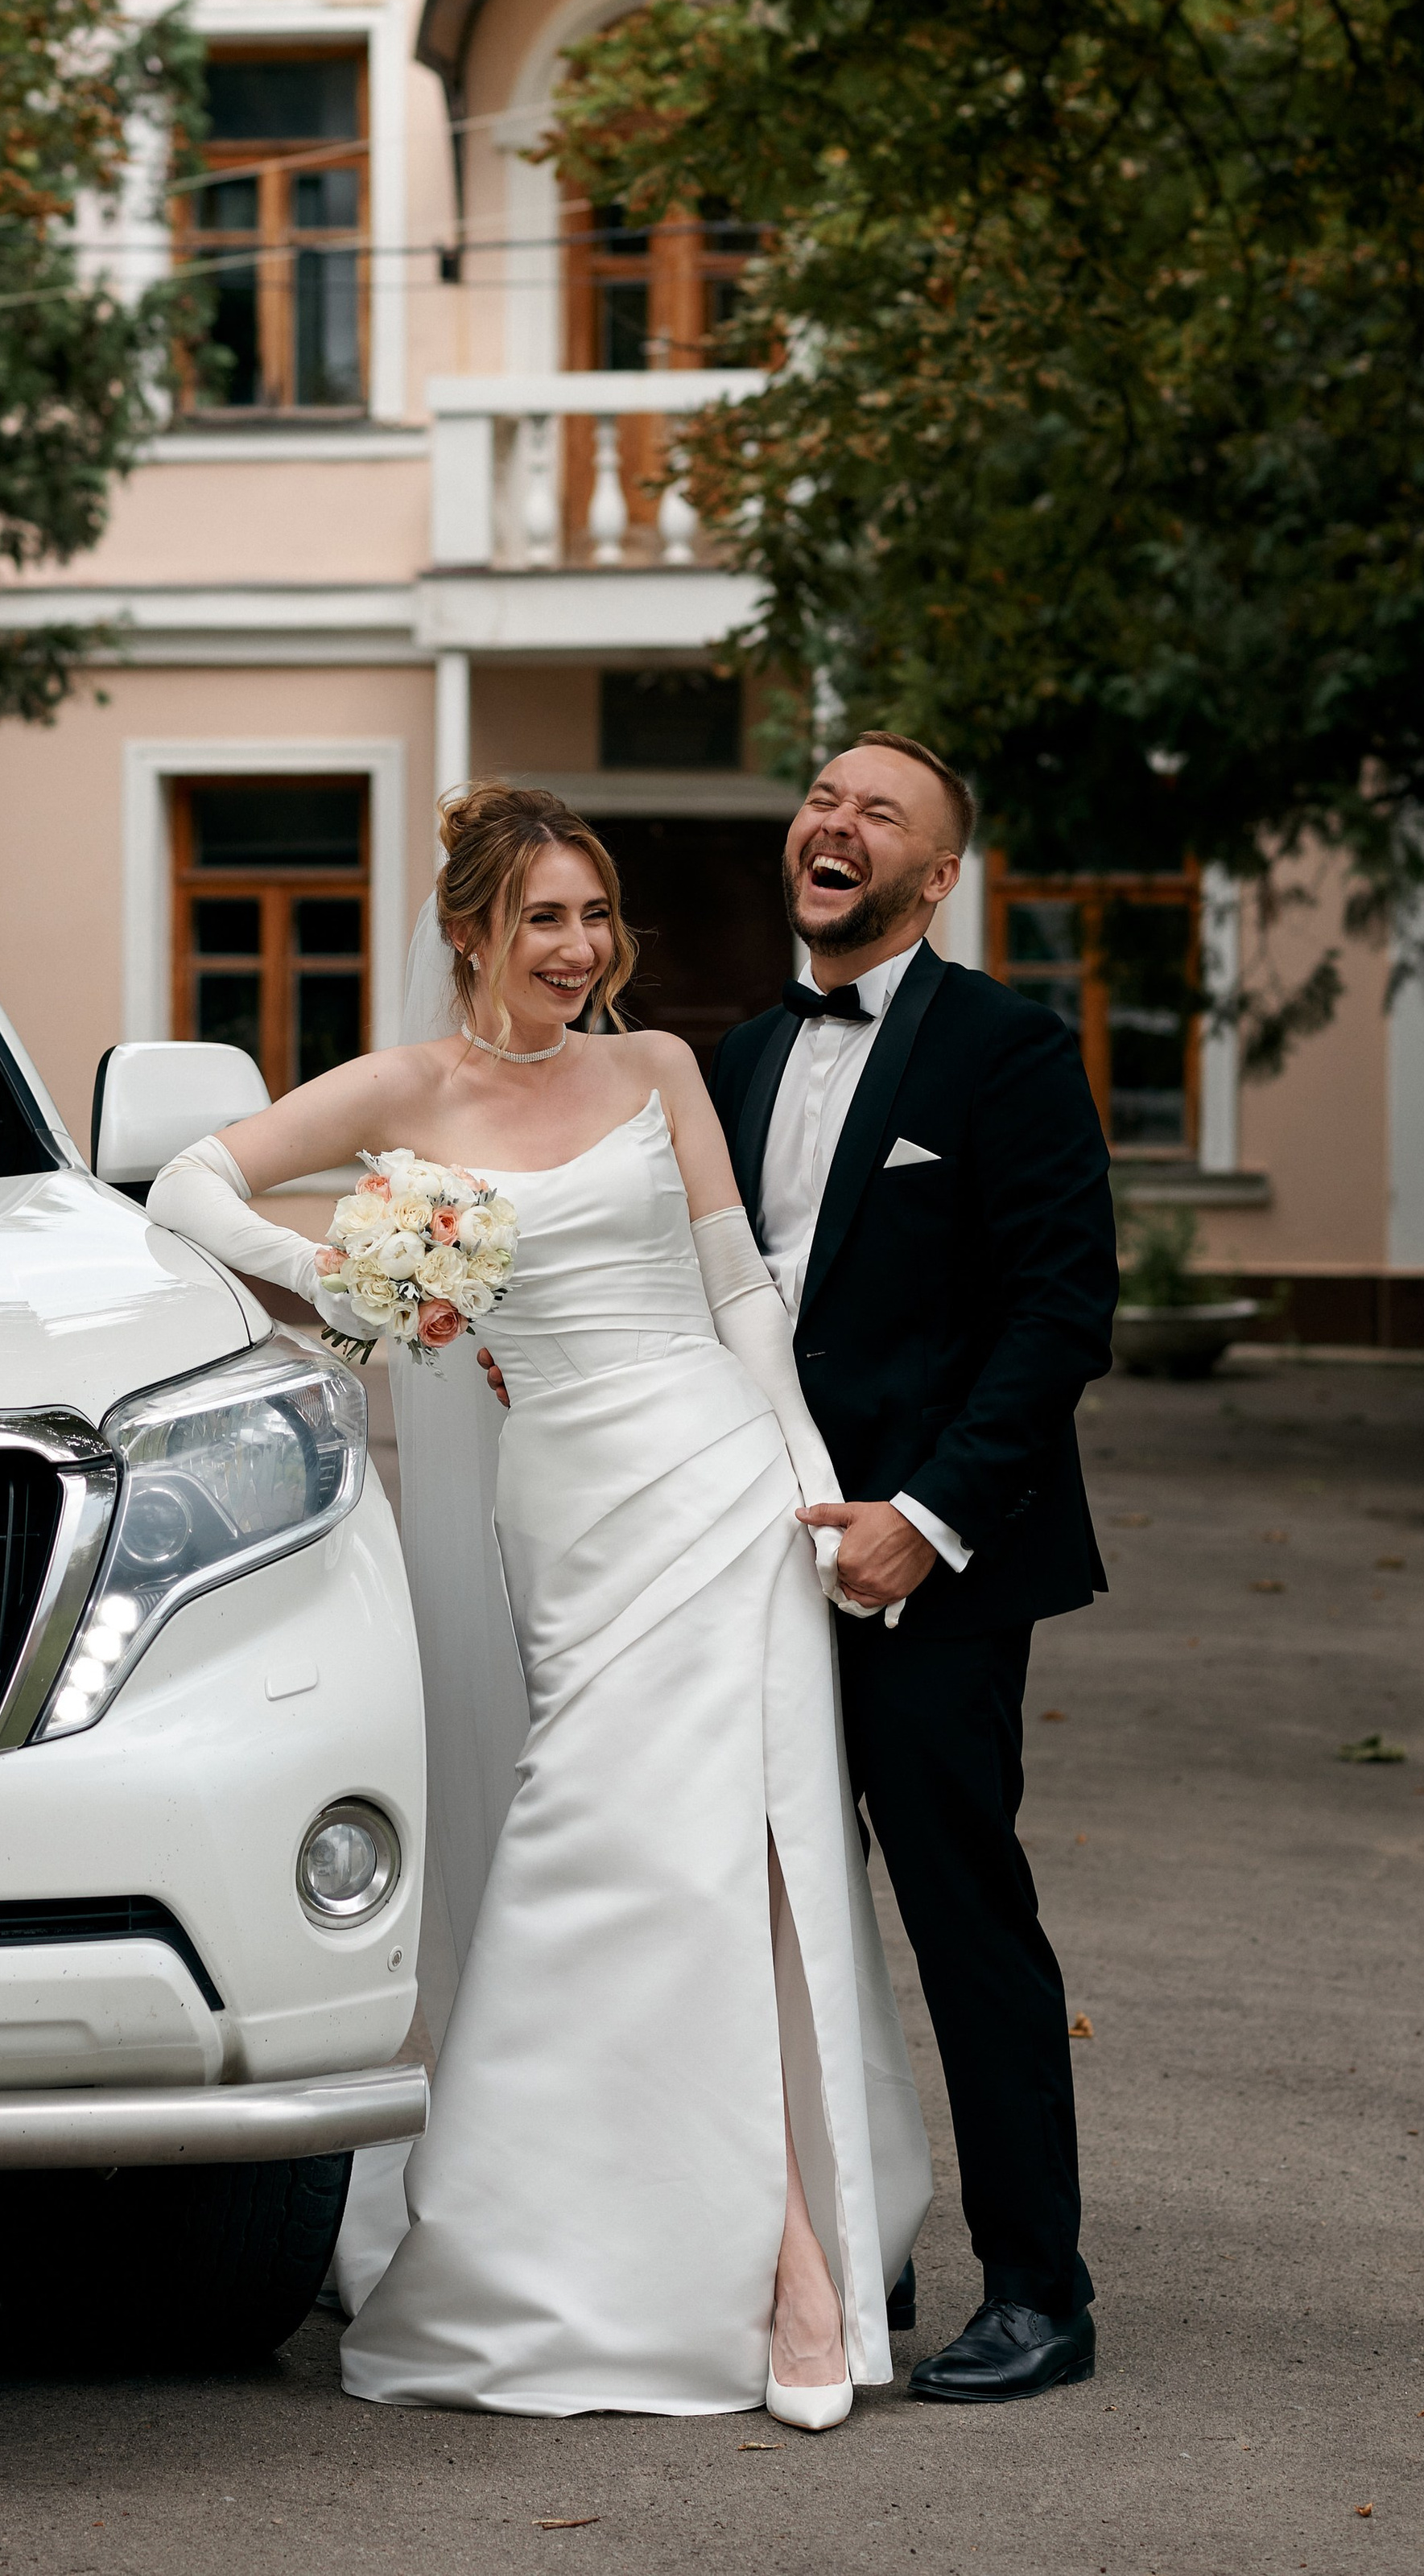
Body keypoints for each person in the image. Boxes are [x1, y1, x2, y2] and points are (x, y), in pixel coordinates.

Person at [145, 781, 930, 2423]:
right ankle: (553, 2246)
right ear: (472, 932)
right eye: (544, 919)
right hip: (562, 1508)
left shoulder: (657, 1068)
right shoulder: (404, 1088)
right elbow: (188, 1188)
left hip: (716, 1482)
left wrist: (800, 1477)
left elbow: (738, 1294)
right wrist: (354, 1277)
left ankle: (795, 2258)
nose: (577, 949)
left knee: (754, 1863)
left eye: (592, 914)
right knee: (598, 1855)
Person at [711, 732, 1118, 2404]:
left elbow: (1055, 1311)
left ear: (934, 877)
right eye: (822, 796)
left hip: (938, 1565)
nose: (837, 822)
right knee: (772, 1924)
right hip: (745, 1558)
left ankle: (1038, 2285)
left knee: (962, 1919)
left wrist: (923, 1517)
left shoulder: (1007, 1051)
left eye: (879, 812)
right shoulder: (729, 1059)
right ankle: (835, 2252)